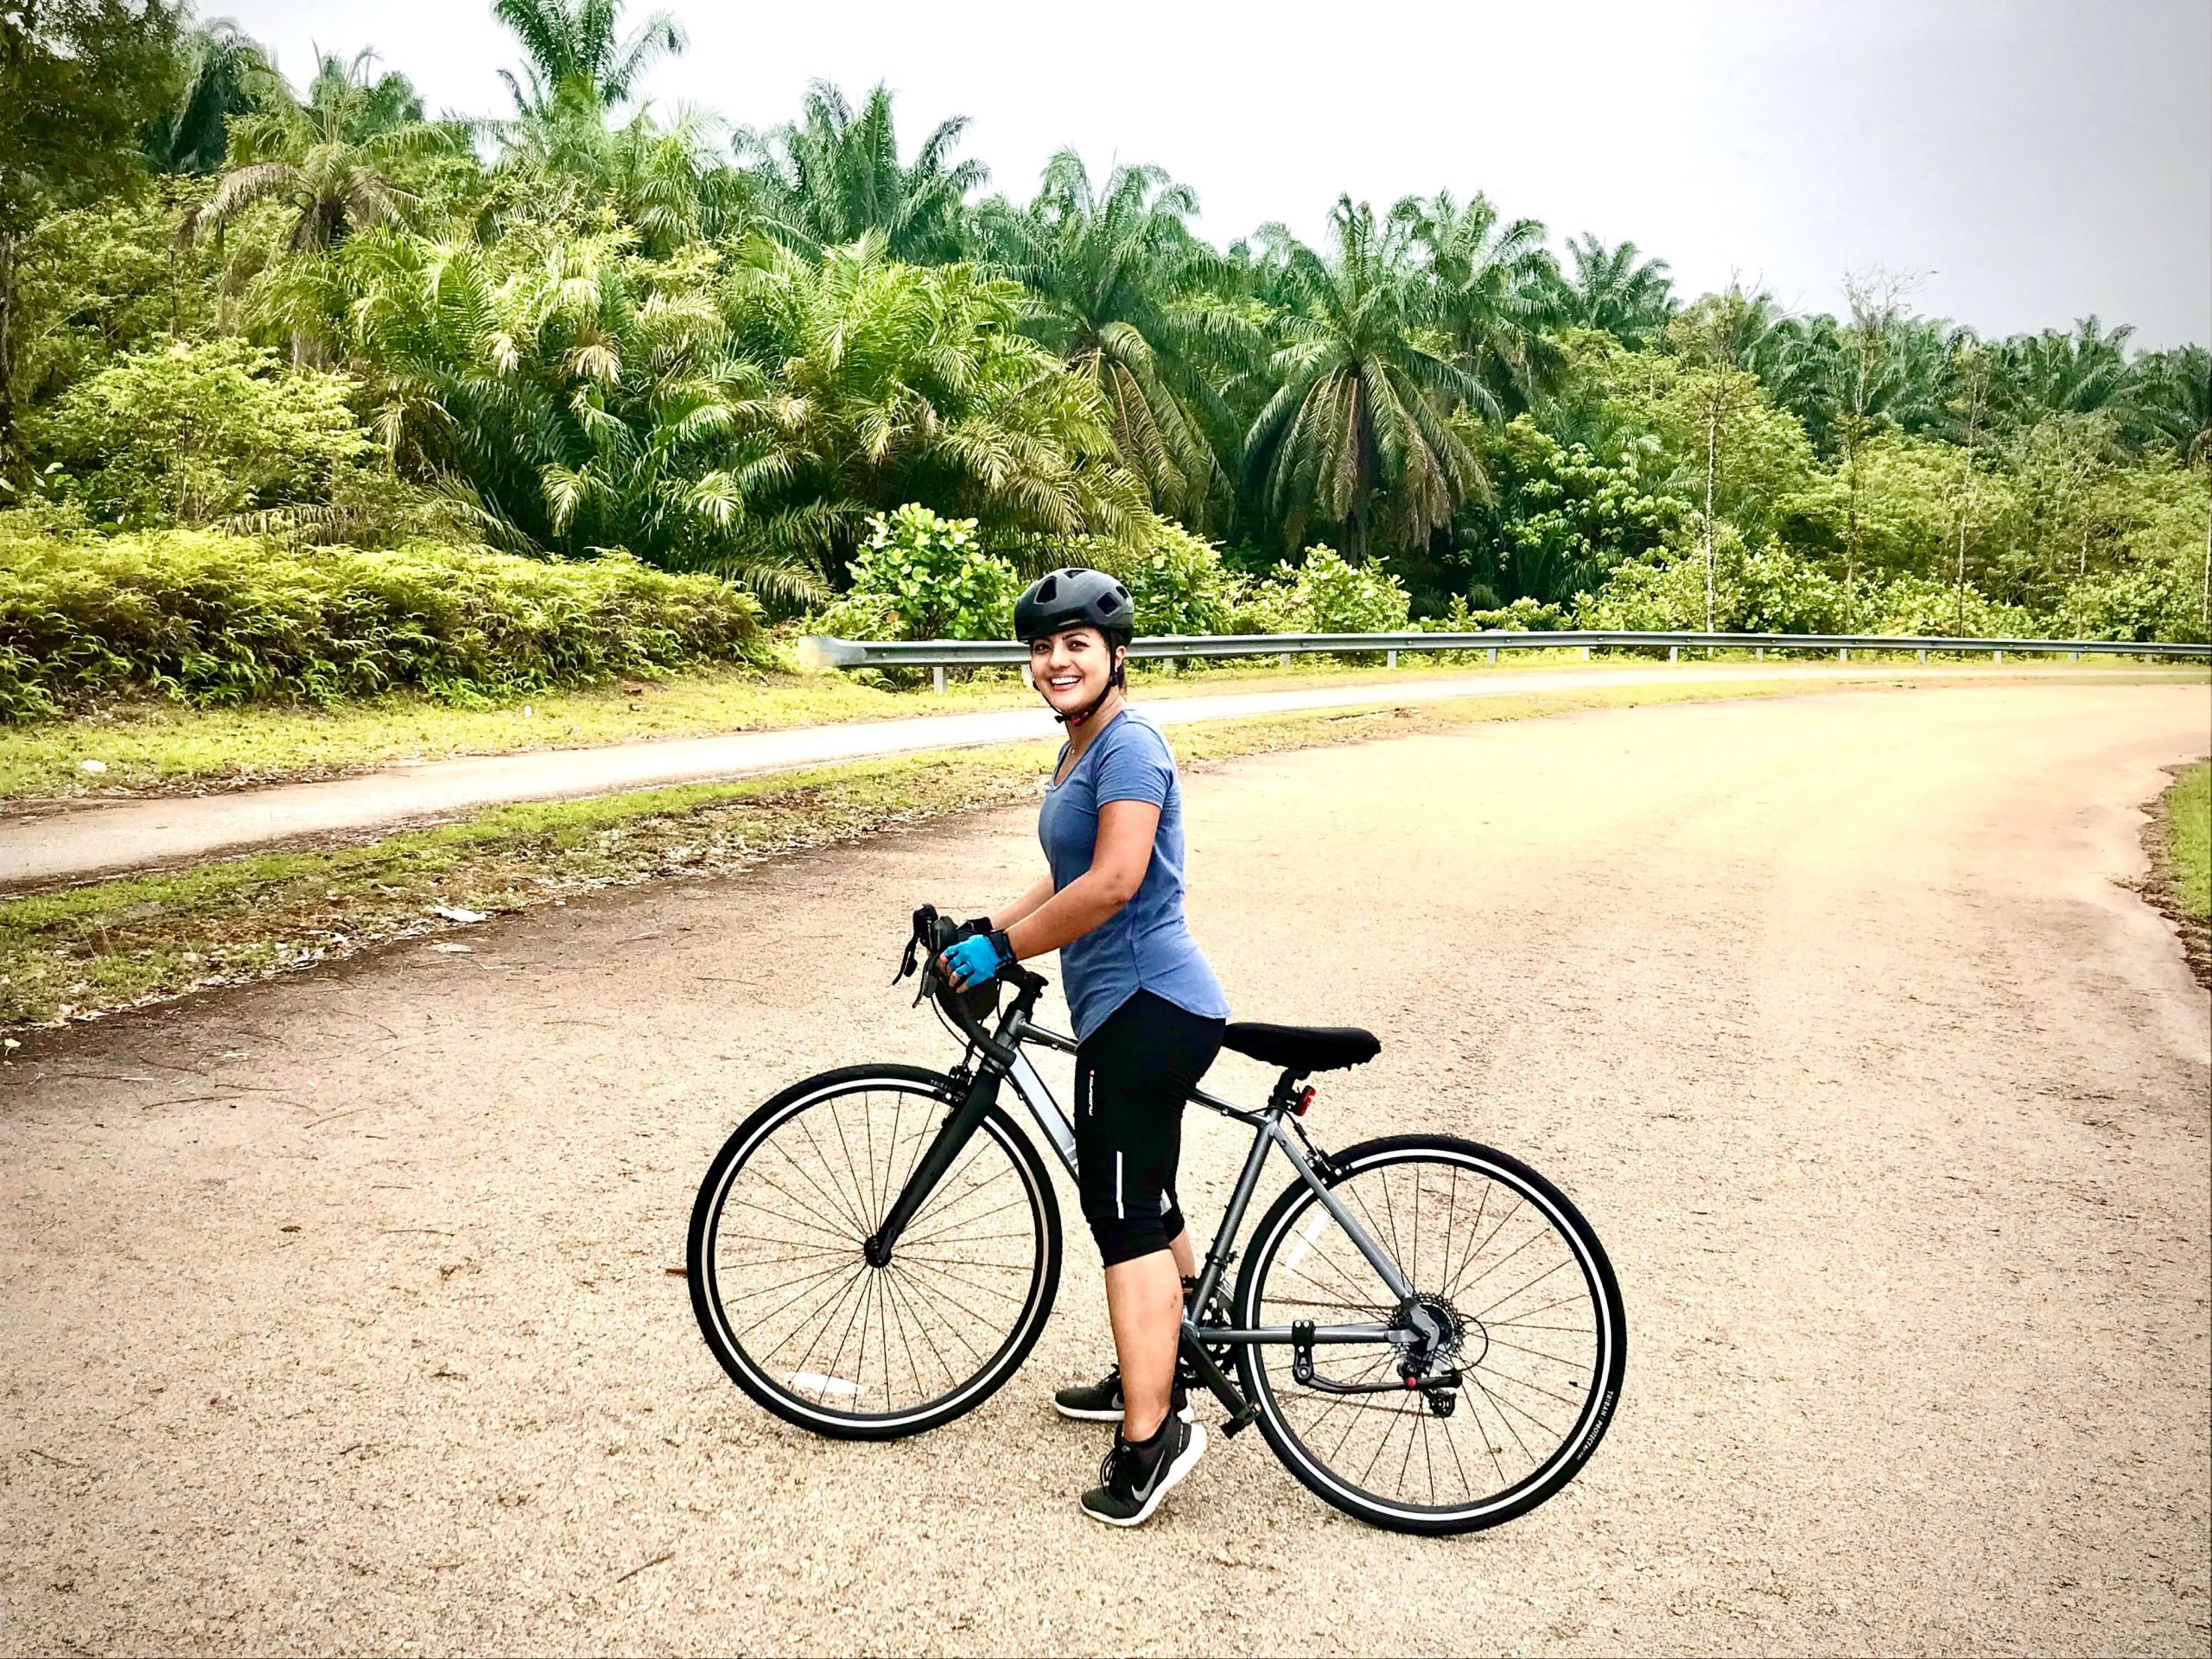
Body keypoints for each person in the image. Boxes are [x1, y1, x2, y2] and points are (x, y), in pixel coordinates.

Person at [935, 565, 1230, 1528]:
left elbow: (1111, 883)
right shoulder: (1082, 749)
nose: (1054, 660)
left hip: (1149, 1004)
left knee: (1123, 1218)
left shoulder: (1131, 747)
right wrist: (982, 925)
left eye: (1075, 645)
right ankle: (1167, 1352)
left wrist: (1004, 948)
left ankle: (1154, 1436)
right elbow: (1062, 873)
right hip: (1125, 1008)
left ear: (1114, 656)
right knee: (1138, 1191)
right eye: (1041, 646)